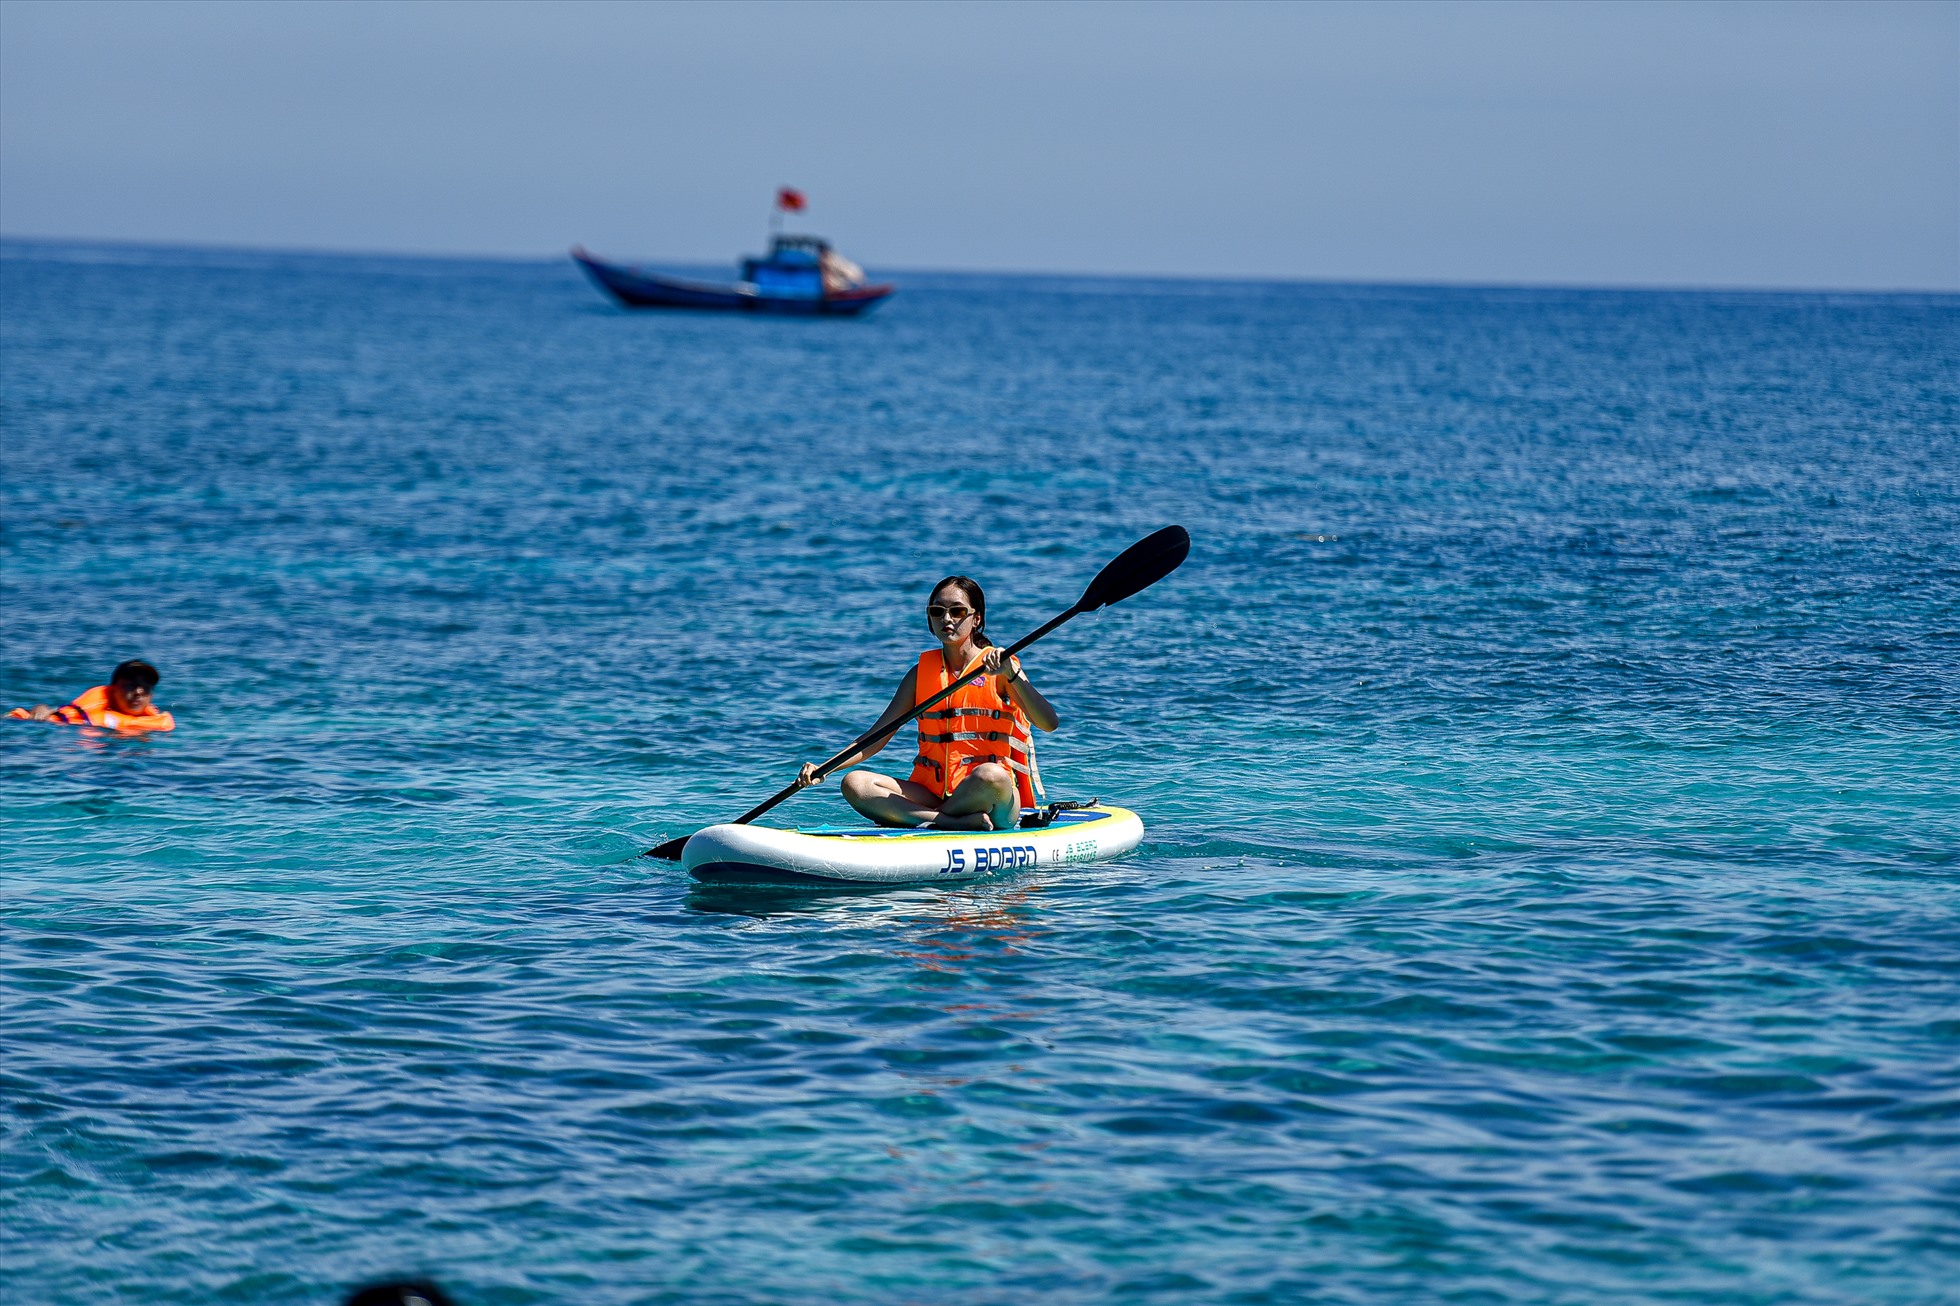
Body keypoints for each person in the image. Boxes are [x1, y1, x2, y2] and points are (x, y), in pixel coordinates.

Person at [799, 576, 1058, 831]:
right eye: (938, 611)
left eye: (957, 611)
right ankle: (945, 821)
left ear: (976, 618)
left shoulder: (1002, 665)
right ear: (929, 618)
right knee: (854, 782)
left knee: (991, 774)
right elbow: (874, 738)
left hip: (990, 796)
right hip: (932, 794)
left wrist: (1010, 674)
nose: (947, 619)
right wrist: (826, 768)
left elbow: (1049, 723)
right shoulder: (919, 675)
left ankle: (921, 818)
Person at [8, 659, 175, 733]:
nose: (139, 692)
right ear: (113, 689)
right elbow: (62, 714)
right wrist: (40, 709)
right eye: (131, 685)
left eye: (145, 687)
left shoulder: (156, 724)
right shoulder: (92, 711)